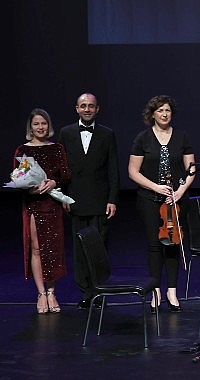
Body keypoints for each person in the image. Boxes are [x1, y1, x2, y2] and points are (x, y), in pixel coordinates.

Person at [128, 95, 195, 312]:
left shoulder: (182, 137)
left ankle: (172, 291)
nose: (164, 114)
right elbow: (133, 172)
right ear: (152, 114)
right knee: (154, 245)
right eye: (160, 111)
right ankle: (155, 290)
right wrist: (156, 187)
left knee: (174, 243)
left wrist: (180, 190)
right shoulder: (143, 138)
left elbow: (190, 169)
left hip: (176, 200)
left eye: (167, 110)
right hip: (149, 199)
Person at [58, 93, 120, 310]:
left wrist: (112, 199)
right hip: (75, 200)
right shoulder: (66, 133)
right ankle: (85, 291)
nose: (87, 109)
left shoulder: (106, 134)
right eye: (83, 106)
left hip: (100, 201)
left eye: (91, 106)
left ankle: (98, 291)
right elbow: (61, 168)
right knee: (79, 248)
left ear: (97, 109)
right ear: (76, 108)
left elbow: (113, 169)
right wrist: (63, 196)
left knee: (99, 248)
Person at [13, 108, 71, 313]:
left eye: (43, 123)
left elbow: (65, 175)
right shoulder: (23, 151)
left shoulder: (57, 148)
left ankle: (52, 292)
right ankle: (41, 293)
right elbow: (18, 177)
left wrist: (54, 182)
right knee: (36, 248)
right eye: (36, 124)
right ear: (30, 127)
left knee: (53, 249)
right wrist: (30, 186)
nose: (40, 127)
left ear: (49, 126)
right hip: (33, 204)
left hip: (52, 204)